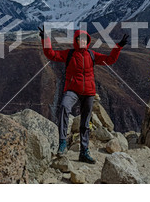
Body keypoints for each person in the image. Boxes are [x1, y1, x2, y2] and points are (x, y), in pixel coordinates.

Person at [38, 27, 128, 164]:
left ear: (87, 42)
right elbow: (51, 54)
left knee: (86, 123)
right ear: (76, 40)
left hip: (89, 92)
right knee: (64, 107)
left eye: (85, 39)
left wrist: (118, 46)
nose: (82, 41)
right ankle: (63, 142)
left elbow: (109, 60)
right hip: (72, 90)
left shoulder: (92, 55)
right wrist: (45, 39)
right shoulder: (69, 54)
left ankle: (84, 152)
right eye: (80, 39)